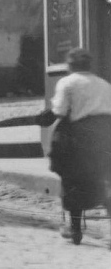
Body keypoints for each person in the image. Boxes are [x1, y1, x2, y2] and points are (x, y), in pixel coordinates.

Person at [49, 47, 111, 246]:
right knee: (103, 179)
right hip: (105, 136)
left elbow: (59, 110)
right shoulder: (104, 84)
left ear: (70, 65)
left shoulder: (67, 83)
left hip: (80, 138)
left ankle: (75, 230)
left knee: (73, 180)